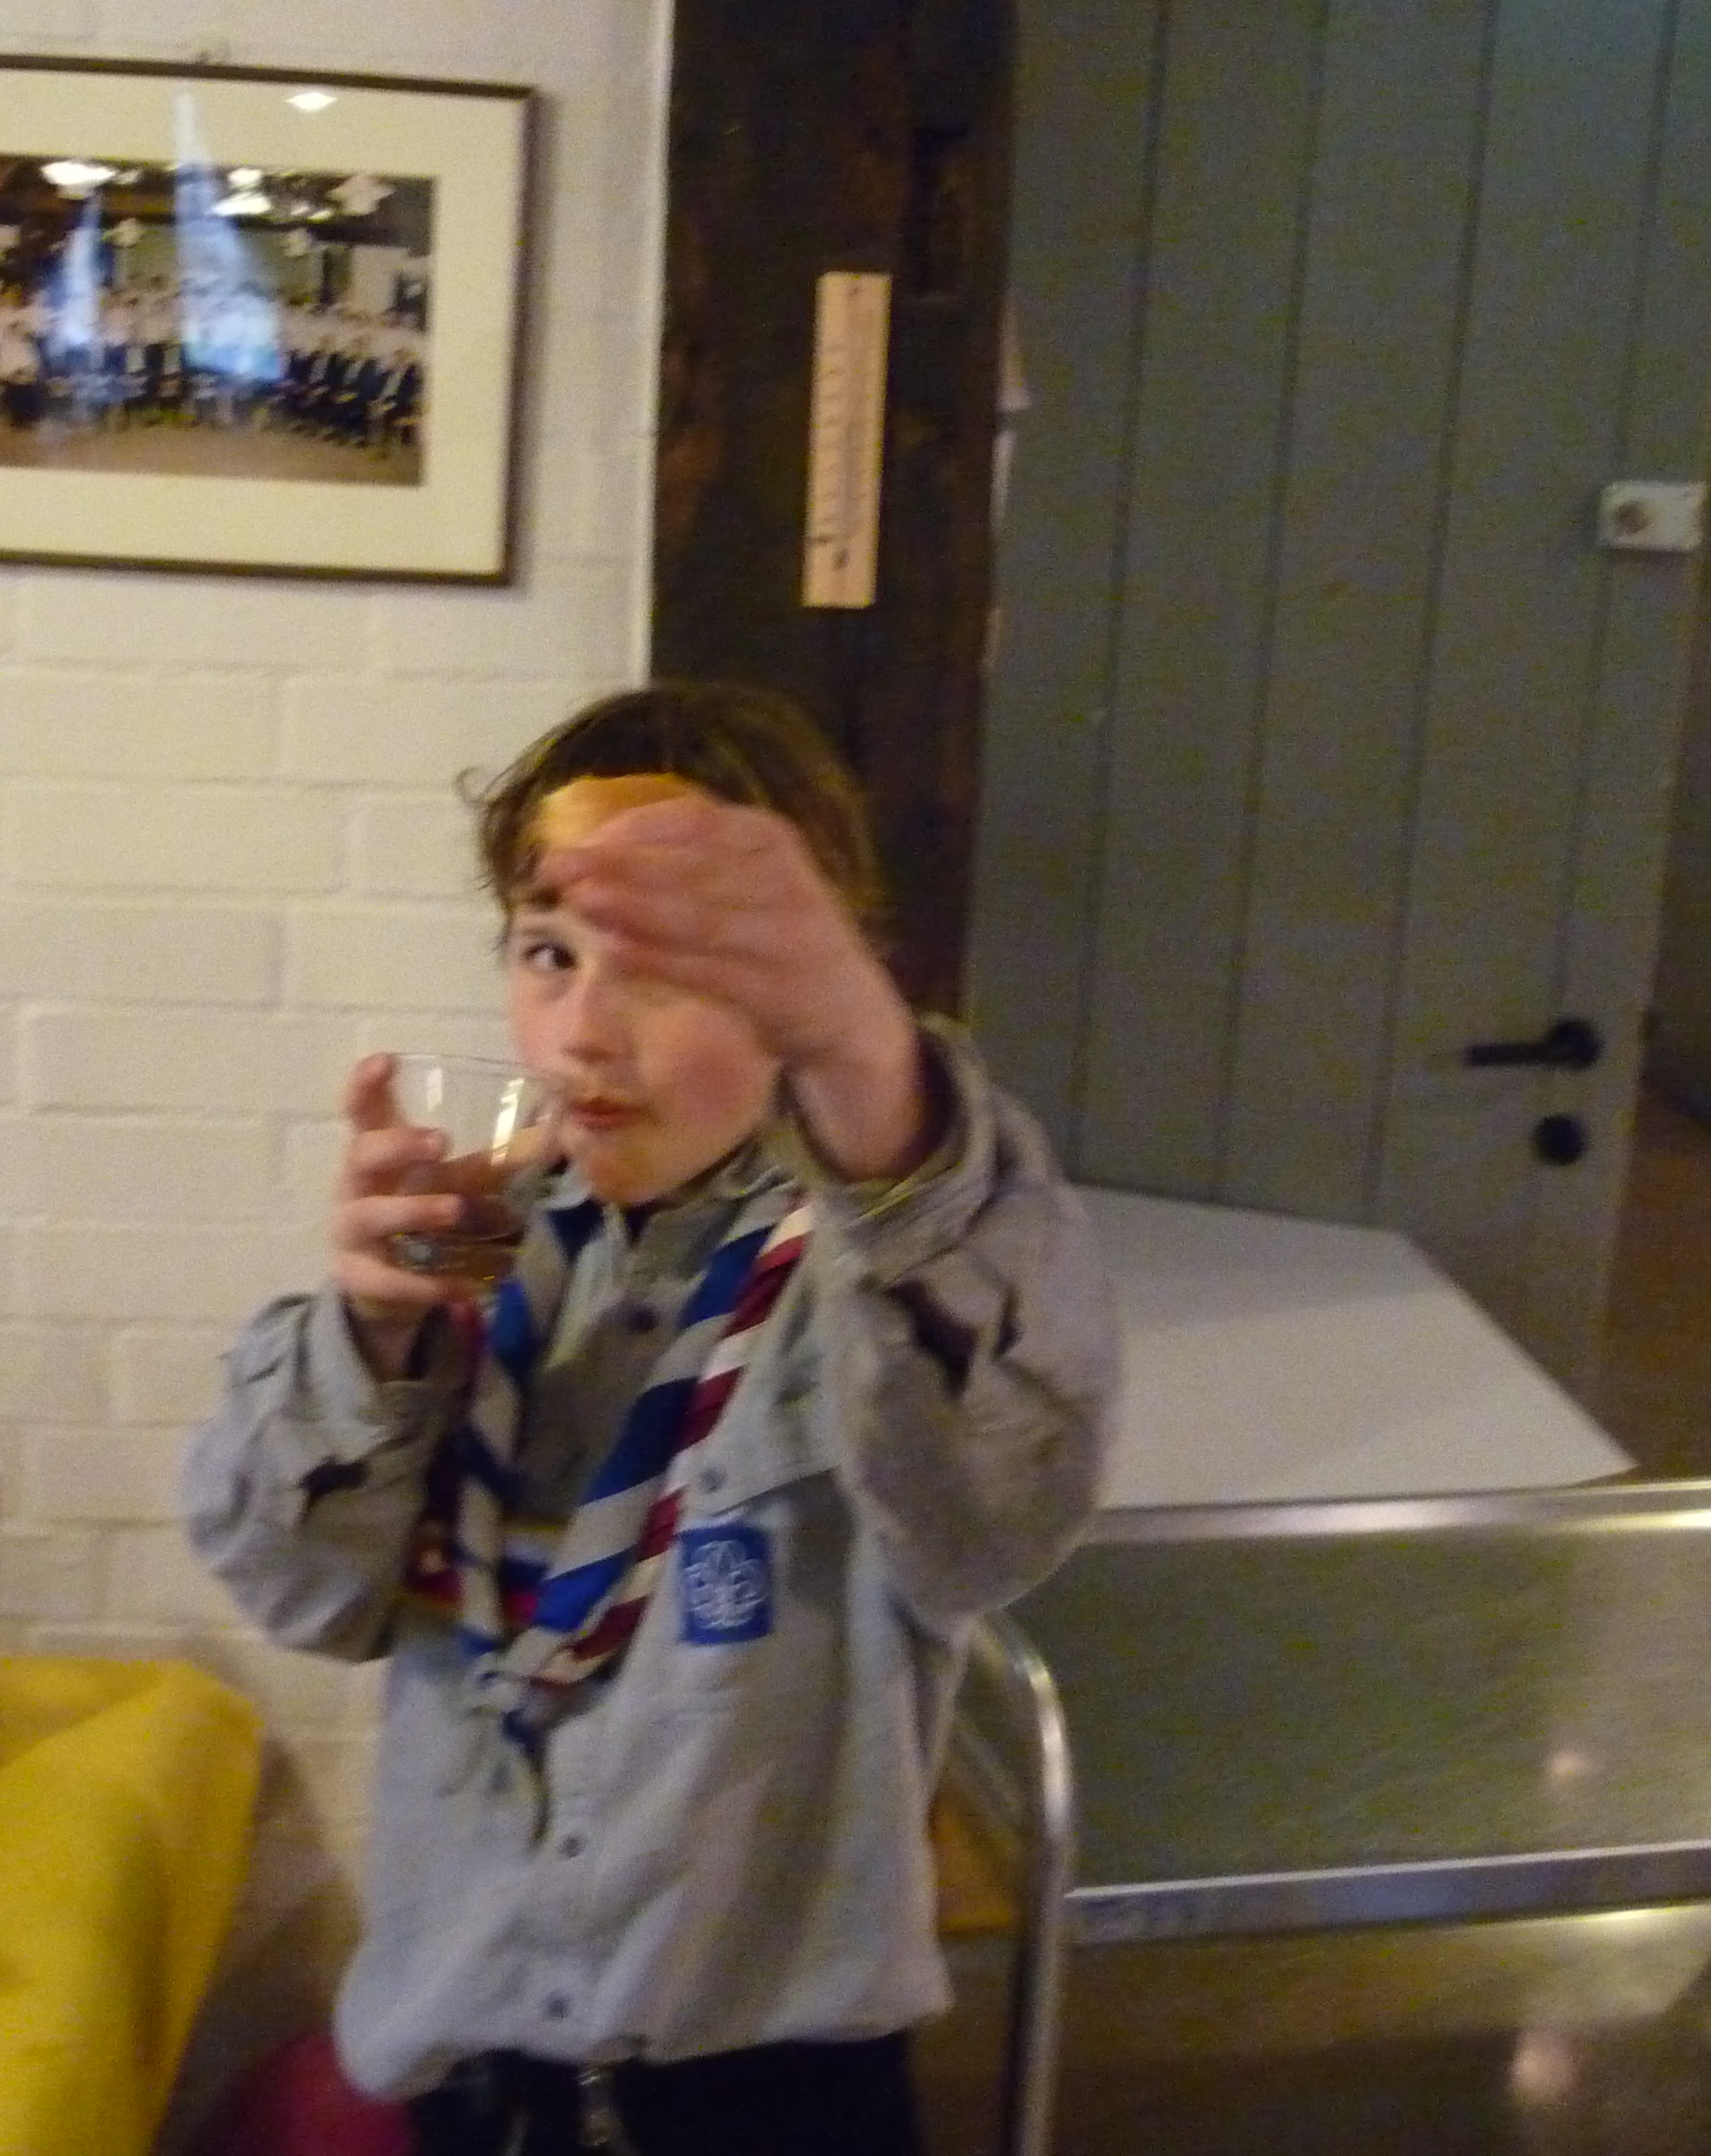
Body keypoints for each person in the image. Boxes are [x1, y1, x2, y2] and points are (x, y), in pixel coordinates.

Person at [183, 681, 1115, 2156]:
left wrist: (874, 1072)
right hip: (469, 2099)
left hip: (772, 2110)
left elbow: (998, 1517)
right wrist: (370, 1339)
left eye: (668, 970)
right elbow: (298, 1590)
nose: (583, 1038)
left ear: (805, 989)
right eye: (548, 954)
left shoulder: (869, 1280)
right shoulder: (472, 1256)